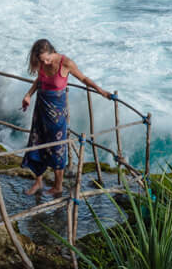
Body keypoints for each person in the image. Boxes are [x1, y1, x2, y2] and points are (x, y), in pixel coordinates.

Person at [21, 38, 110, 197]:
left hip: (57, 113)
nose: (45, 63)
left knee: (57, 147)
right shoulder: (42, 63)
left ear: (52, 52)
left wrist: (101, 91)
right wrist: (28, 95)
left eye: (47, 59)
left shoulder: (66, 63)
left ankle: (58, 186)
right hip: (41, 107)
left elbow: (83, 79)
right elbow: (39, 80)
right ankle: (38, 181)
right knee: (37, 142)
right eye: (42, 61)